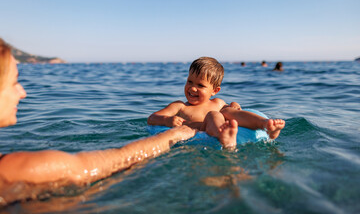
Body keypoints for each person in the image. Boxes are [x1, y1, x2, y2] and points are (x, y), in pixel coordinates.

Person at [0, 38, 197, 202]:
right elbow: (97, 165)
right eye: (14, 81)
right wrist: (173, 136)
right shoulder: (11, 169)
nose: (22, 92)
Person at [148, 57, 285, 148]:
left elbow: (232, 111)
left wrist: (234, 106)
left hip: (220, 126)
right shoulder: (179, 106)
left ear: (214, 90)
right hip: (199, 133)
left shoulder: (218, 103)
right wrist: (167, 120)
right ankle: (223, 136)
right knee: (213, 115)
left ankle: (265, 125)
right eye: (189, 81)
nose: (192, 88)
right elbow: (152, 118)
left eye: (200, 85)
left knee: (226, 111)